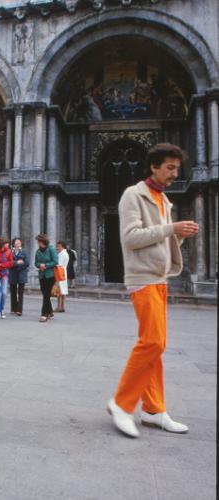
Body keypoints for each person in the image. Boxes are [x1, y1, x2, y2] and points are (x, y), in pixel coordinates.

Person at [107, 143, 199, 438]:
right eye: (170, 167)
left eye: (177, 168)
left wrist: (178, 235)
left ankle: (153, 409)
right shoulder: (133, 195)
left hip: (160, 277)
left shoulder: (164, 200)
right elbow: (131, 238)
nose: (175, 173)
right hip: (142, 277)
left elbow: (159, 239)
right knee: (153, 343)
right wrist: (172, 229)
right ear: (153, 166)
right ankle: (121, 404)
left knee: (155, 347)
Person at [34, 234, 58, 322]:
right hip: (42, 275)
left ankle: (44, 314)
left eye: (38, 241)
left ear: (42, 242)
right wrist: (40, 265)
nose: (37, 243)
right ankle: (50, 311)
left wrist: (46, 265)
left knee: (46, 294)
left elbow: (55, 261)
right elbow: (36, 263)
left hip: (50, 275)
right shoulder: (38, 251)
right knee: (45, 294)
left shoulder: (51, 249)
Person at [9, 237, 29, 316]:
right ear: (13, 243)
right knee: (13, 292)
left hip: (21, 274)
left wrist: (17, 265)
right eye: (16, 242)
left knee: (20, 293)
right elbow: (9, 262)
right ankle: (13, 308)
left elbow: (27, 263)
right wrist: (17, 262)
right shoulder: (10, 252)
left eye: (19, 242)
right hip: (13, 274)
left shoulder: (24, 252)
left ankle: (19, 310)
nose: (18, 243)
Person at [55, 241, 69, 313]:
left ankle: (59, 306)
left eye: (58, 246)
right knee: (63, 291)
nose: (57, 248)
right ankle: (62, 306)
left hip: (59, 273)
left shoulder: (61, 254)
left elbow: (58, 265)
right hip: (64, 273)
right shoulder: (66, 253)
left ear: (62, 246)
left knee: (59, 291)